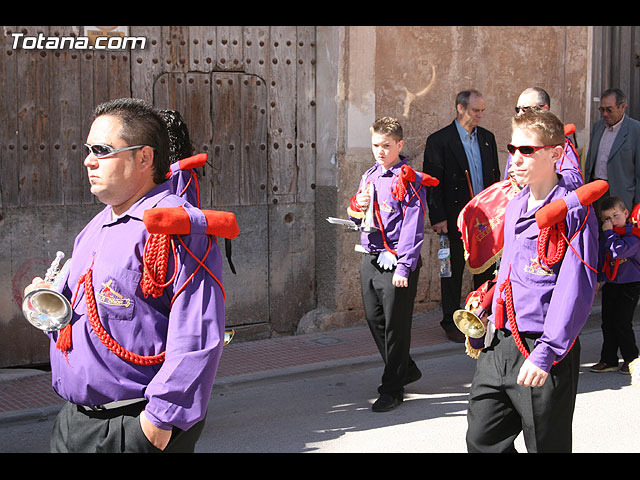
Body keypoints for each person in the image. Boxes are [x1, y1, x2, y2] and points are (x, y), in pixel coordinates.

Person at [24, 98, 232, 452]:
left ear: (144, 158)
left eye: (102, 150)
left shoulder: (175, 227)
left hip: (132, 425)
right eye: (88, 149)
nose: (89, 160)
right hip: (74, 421)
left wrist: (156, 425)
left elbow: (197, 334)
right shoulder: (95, 225)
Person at [464, 109, 599, 453]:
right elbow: (511, 270)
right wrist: (489, 302)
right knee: (482, 440)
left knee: (546, 445)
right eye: (512, 149)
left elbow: (576, 285)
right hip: (500, 343)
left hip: (542, 346)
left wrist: (547, 351)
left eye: (527, 150)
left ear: (555, 153)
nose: (516, 159)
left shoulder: (573, 211)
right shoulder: (515, 205)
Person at [347, 116, 436, 412]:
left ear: (399, 144)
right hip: (370, 255)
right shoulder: (370, 175)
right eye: (375, 145)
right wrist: (354, 209)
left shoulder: (408, 179)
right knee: (375, 320)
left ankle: (392, 388)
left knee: (396, 327)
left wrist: (404, 266)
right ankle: (405, 367)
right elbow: (357, 217)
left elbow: (413, 225)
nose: (380, 151)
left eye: (386, 145)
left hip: (396, 258)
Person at [423, 90, 501, 343]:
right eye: (474, 110)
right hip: (454, 217)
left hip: (483, 219)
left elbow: (494, 179)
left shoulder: (487, 138)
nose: (479, 115)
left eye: (482, 111)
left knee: (485, 269)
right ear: (460, 108)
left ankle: (481, 315)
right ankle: (450, 321)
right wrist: (438, 217)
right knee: (452, 271)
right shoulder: (440, 140)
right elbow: (433, 183)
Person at [591, 195, 640, 374]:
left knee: (622, 323)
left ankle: (631, 359)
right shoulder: (607, 236)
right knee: (607, 323)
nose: (611, 222)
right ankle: (609, 359)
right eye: (606, 219)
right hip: (612, 284)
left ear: (626, 213)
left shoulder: (633, 235)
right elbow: (602, 258)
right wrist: (598, 280)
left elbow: (618, 251)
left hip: (630, 284)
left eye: (615, 215)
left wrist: (609, 232)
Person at [505, 87, 583, 188]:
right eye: (517, 109)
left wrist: (540, 178)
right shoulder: (518, 140)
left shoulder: (559, 142)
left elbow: (573, 180)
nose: (520, 114)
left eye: (526, 109)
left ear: (544, 109)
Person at [584, 88, 640, 211]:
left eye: (609, 110)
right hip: (595, 191)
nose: (605, 114)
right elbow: (590, 162)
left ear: (622, 107)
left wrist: (637, 206)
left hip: (620, 195)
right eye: (602, 110)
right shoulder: (598, 126)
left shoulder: (635, 130)